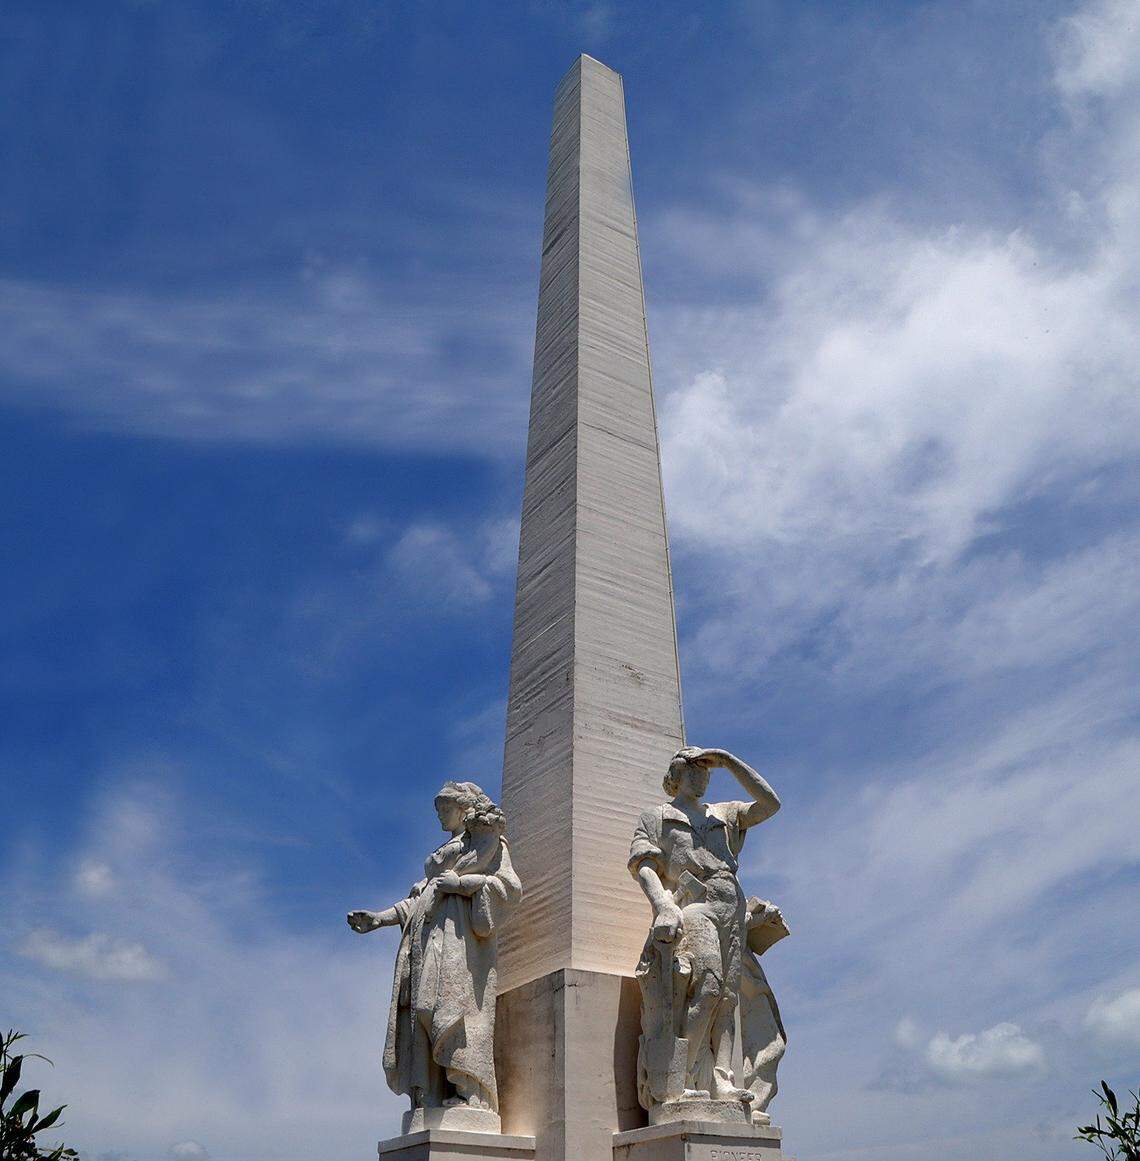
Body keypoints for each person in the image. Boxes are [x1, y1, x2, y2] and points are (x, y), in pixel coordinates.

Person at [347, 781, 521, 1119]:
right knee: (422, 1009)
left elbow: (508, 887)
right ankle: (434, 1089)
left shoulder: (487, 844)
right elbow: (418, 900)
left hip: (459, 941)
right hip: (428, 939)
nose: (439, 815)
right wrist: (379, 919)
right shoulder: (448, 852)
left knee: (446, 1009)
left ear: (462, 808)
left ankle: (469, 1090)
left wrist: (462, 884)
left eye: (444, 808)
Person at [628, 746, 780, 1114]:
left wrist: (728, 760)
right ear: (676, 777)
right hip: (695, 906)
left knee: (728, 997)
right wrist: (663, 904)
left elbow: (770, 804)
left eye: (706, 772)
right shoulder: (659, 816)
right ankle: (679, 1078)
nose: (703, 778)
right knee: (707, 986)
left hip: (733, 907)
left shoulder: (724, 814)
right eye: (695, 772)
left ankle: (721, 1079)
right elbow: (643, 864)